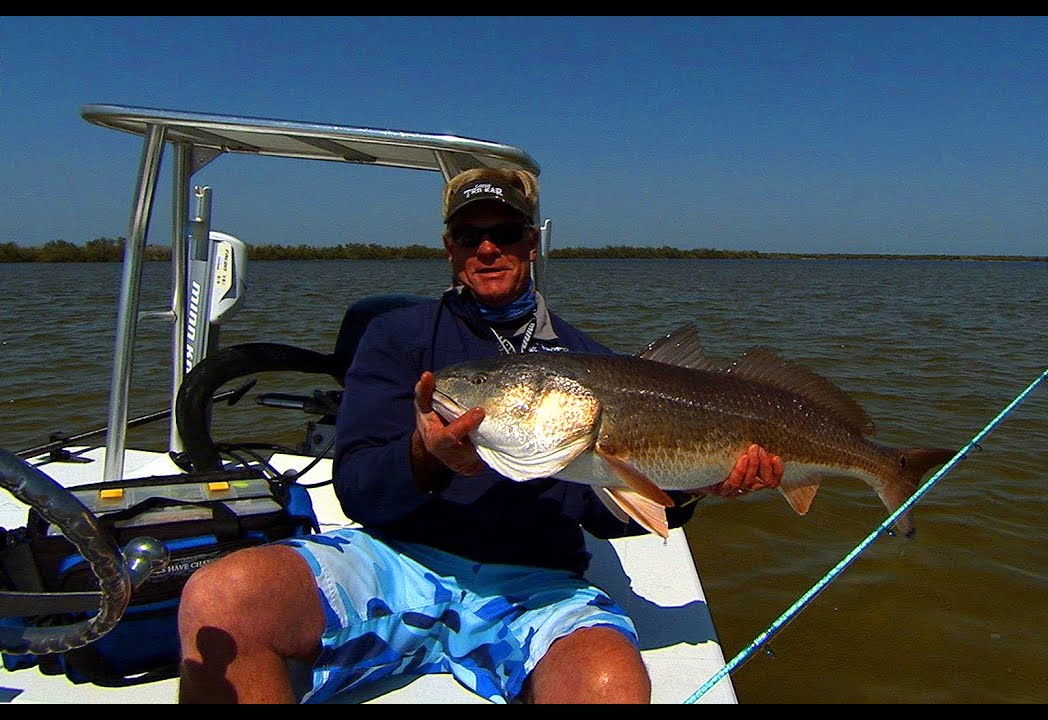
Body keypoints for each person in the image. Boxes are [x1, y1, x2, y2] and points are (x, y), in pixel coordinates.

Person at [176, 167, 784, 704]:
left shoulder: (591, 364)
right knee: (222, 597)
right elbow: (358, 487)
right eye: (470, 236)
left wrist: (697, 487)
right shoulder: (398, 338)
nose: (488, 248)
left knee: (610, 686)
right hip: (397, 558)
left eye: (507, 232)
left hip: (535, 581)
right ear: (449, 249)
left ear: (533, 242)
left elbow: (602, 514)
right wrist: (426, 455)